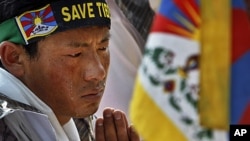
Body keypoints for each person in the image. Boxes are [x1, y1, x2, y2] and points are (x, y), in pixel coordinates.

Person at [0, 0, 140, 141]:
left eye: (102, 48)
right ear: (14, 57)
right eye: (75, 54)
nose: (99, 72)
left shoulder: (80, 121)